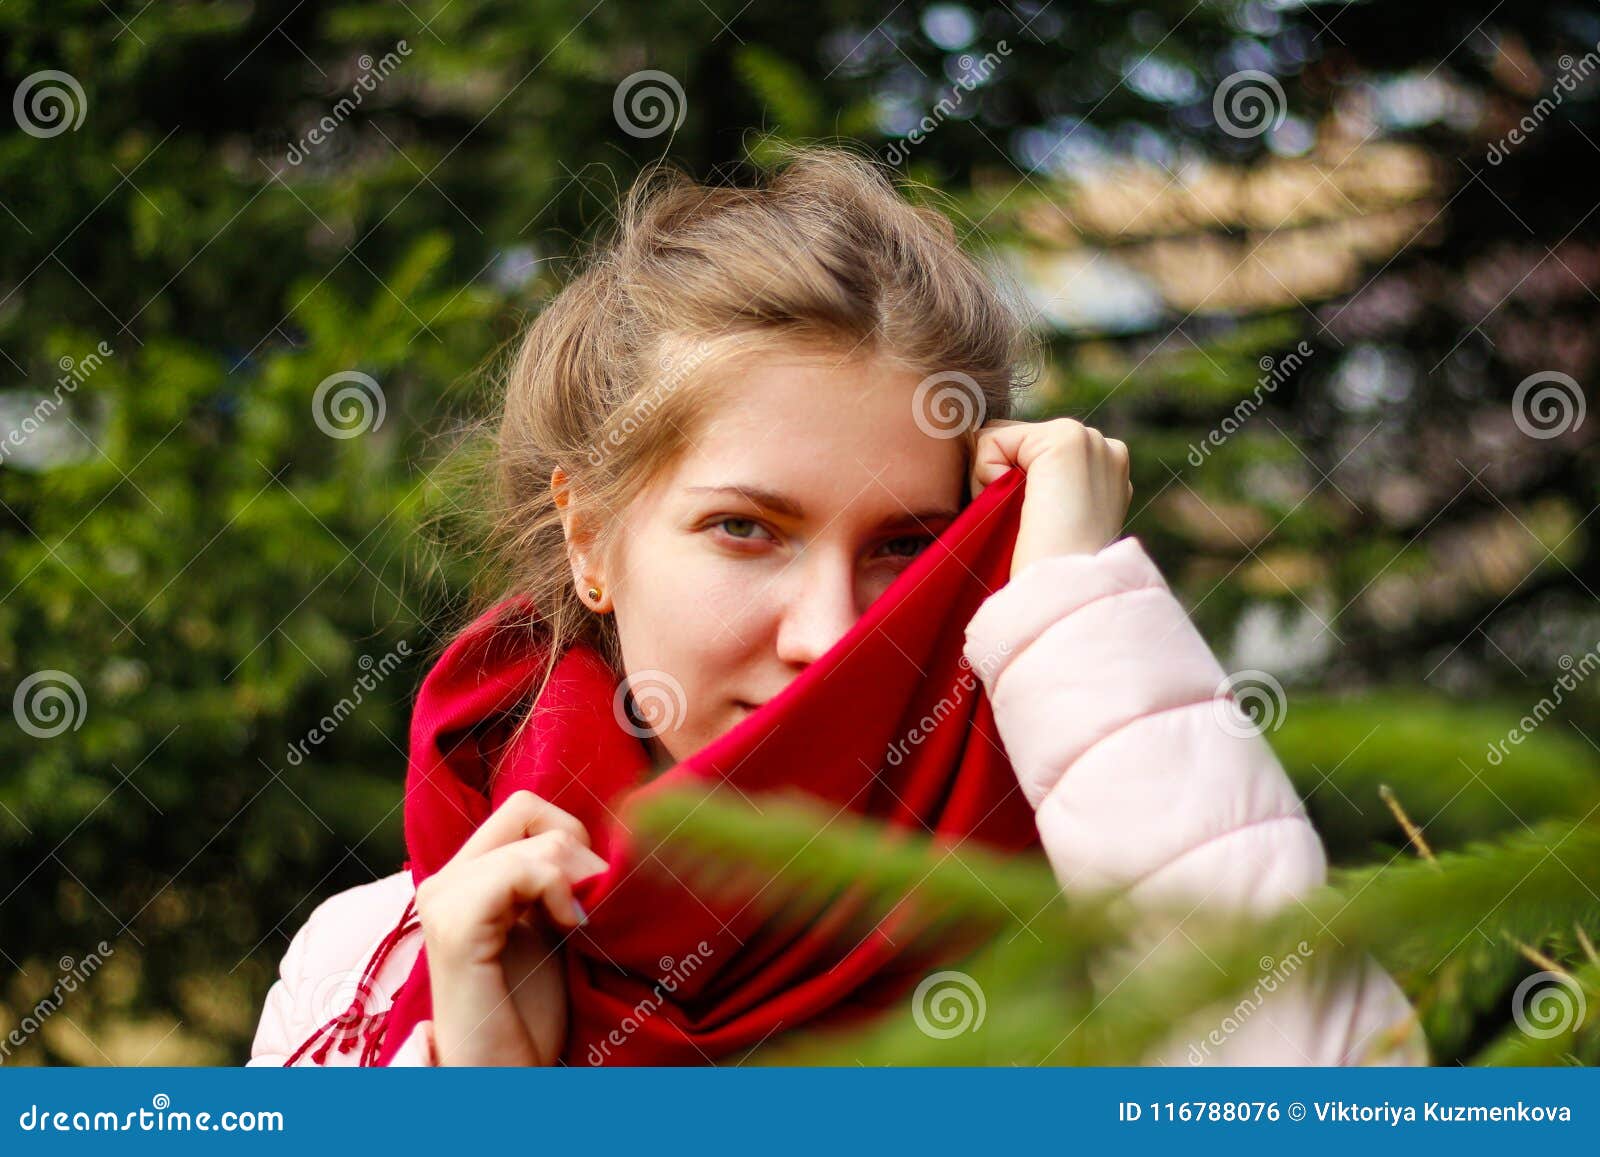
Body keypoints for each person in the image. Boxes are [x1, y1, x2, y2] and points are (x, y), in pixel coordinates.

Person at [247, 146, 1428, 1068]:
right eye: (746, 528)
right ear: (589, 537)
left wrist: (1078, 605)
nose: (825, 633)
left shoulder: (1105, 906)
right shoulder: (379, 964)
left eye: (905, 546)